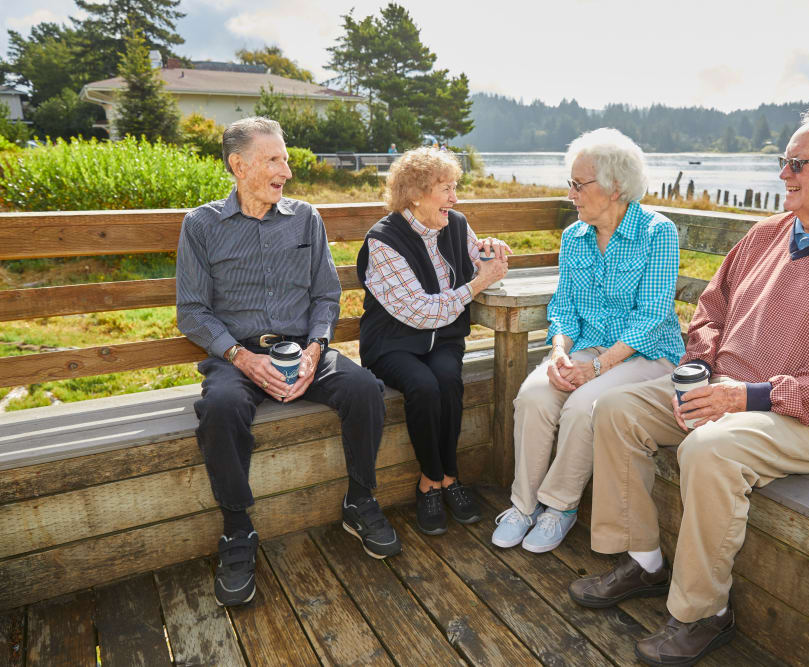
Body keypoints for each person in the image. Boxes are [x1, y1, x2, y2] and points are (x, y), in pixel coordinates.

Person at [569, 106, 809, 666]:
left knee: (709, 449)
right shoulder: (766, 233)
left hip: (800, 420)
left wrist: (744, 398)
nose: (783, 175)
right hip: (720, 390)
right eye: (783, 162)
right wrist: (698, 373)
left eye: (797, 164)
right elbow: (710, 311)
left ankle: (704, 614)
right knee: (616, 407)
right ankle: (645, 561)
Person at [176, 117, 400, 608]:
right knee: (220, 410)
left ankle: (359, 500)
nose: (287, 171)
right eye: (274, 159)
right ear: (239, 165)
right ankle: (238, 531)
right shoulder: (202, 225)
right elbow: (192, 312)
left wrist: (317, 348)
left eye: (286, 158)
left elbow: (326, 294)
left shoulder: (305, 218)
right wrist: (239, 356)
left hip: (305, 348)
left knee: (364, 389)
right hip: (237, 354)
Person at [491, 128, 685, 553]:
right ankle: (523, 505)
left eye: (579, 185)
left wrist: (595, 368)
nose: (571, 194)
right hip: (585, 349)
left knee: (583, 405)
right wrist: (560, 352)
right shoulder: (574, 237)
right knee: (534, 396)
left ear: (615, 187)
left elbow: (651, 317)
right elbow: (563, 306)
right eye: (571, 184)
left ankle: (559, 507)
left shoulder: (657, 232)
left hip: (646, 354)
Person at [357, 147, 510, 535]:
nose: (455, 199)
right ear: (416, 193)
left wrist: (489, 249)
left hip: (443, 341)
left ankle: (450, 477)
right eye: (446, 189)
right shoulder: (384, 240)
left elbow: (480, 261)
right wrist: (477, 284)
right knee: (423, 386)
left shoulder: (455, 224)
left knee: (448, 380)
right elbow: (421, 312)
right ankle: (430, 480)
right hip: (392, 343)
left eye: (454, 188)